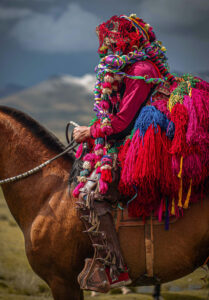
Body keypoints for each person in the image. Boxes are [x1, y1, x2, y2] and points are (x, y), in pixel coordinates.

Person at [72, 14, 175, 292]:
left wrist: (89, 132)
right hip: (131, 138)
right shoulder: (134, 66)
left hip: (141, 146)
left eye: (113, 41)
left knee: (91, 196)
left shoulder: (140, 69)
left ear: (127, 41)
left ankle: (115, 270)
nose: (108, 47)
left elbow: (121, 123)